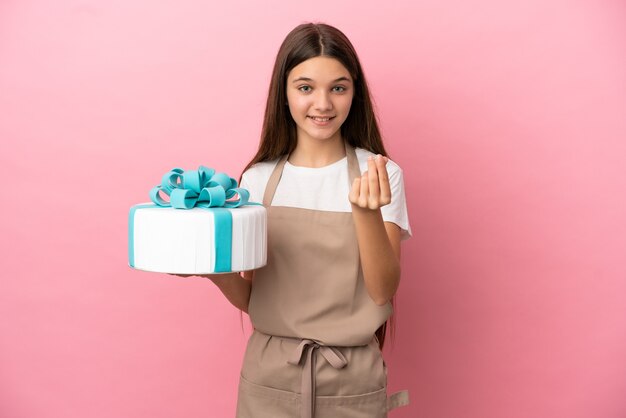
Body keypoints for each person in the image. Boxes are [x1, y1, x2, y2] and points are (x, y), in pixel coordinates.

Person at [184, 22, 412, 417]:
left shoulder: (380, 174)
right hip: (270, 378)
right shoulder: (257, 180)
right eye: (305, 87)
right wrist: (209, 269)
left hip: (351, 379)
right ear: (284, 93)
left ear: (354, 94)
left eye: (338, 88)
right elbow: (255, 296)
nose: (322, 104)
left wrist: (365, 212)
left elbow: (382, 290)